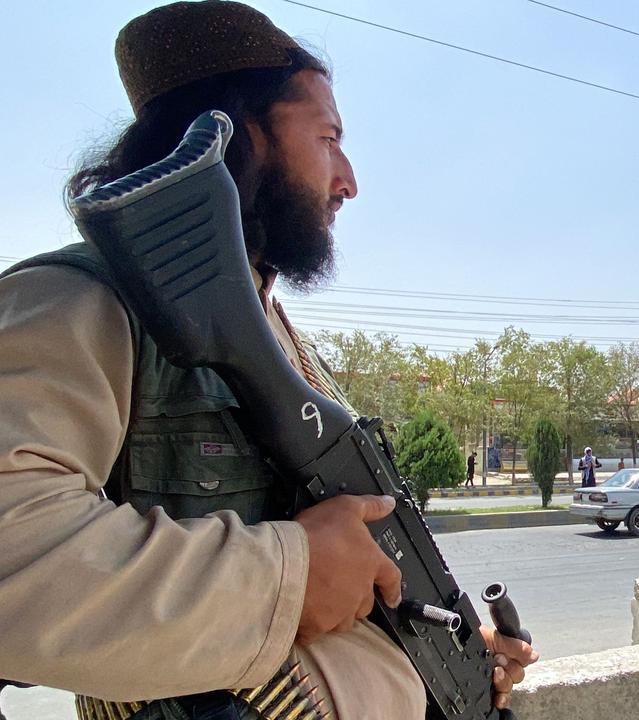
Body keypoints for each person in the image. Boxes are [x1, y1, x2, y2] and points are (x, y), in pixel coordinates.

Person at [0, 3, 535, 718]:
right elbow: (19, 552)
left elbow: (354, 576)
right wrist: (288, 575)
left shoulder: (276, 336)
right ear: (240, 135)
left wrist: (458, 659)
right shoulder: (76, 300)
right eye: (328, 138)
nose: (348, 180)